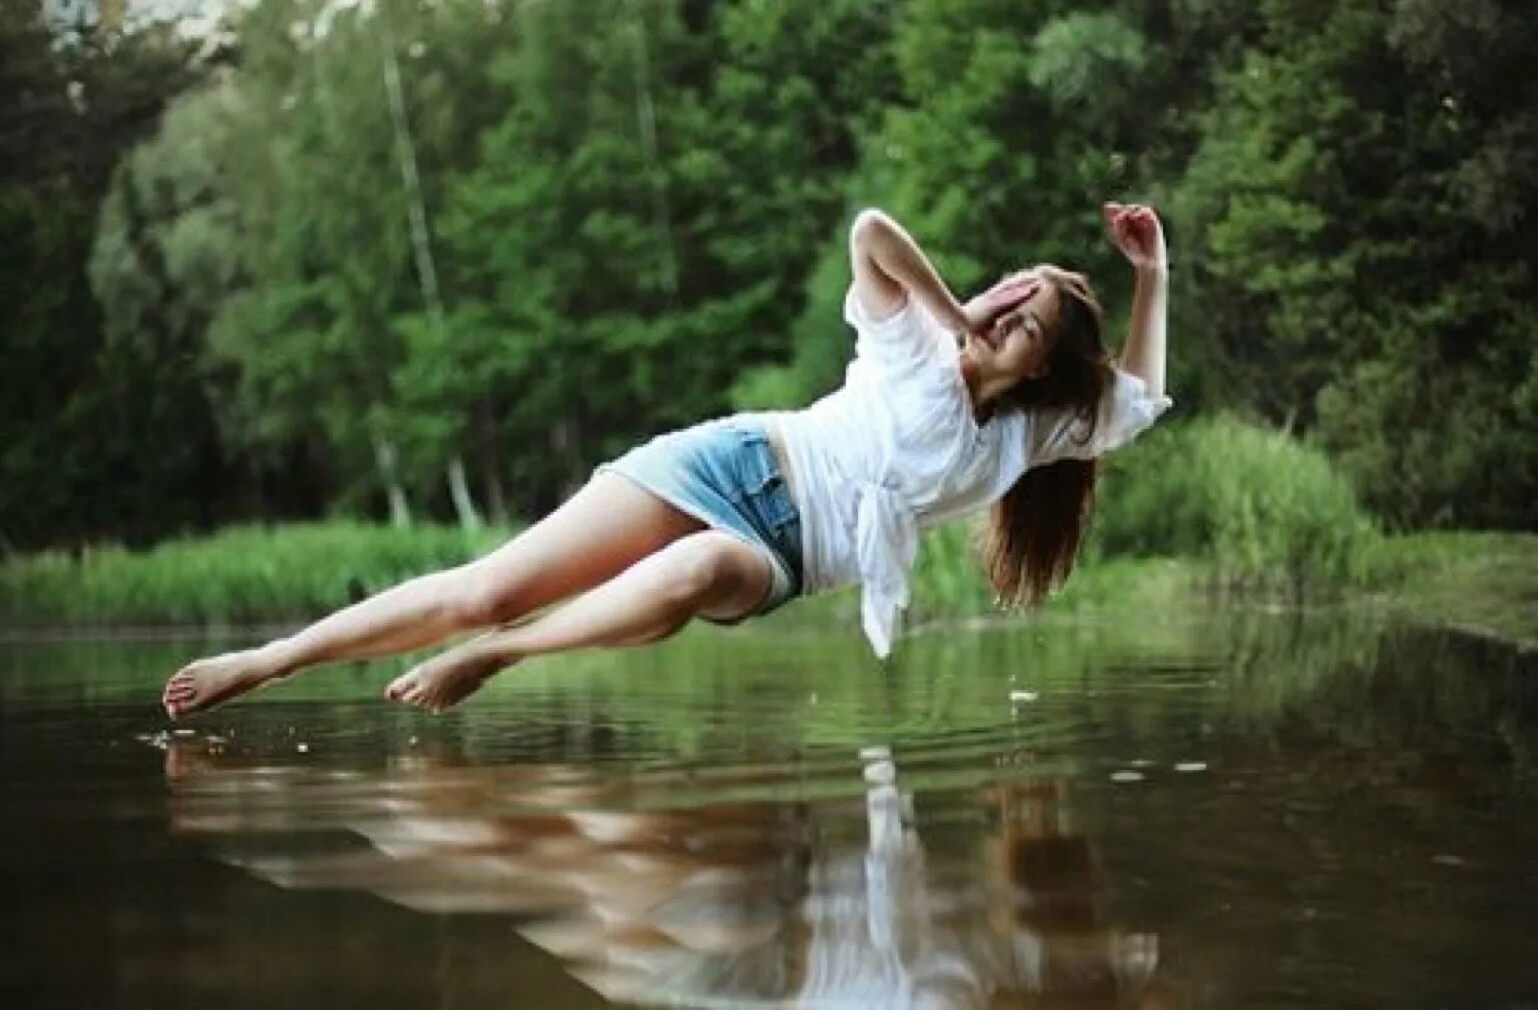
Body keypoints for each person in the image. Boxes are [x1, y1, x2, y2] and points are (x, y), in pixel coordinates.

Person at [162, 202, 1170, 719]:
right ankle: (269, 659)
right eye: (1007, 290)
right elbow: (868, 231)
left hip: (784, 554)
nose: (1002, 309)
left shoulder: (1024, 435)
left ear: (1044, 365)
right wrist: (957, 309)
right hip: (725, 461)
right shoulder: (917, 339)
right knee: (484, 586)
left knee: (690, 576)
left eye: (1023, 318)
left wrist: (1150, 275)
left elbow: (1132, 405)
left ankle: (502, 656)